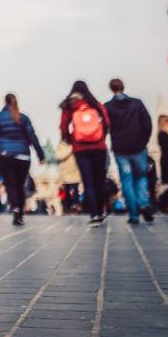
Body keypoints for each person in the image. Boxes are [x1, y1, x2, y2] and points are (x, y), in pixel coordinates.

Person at [58, 80, 110, 227]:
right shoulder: (95, 104)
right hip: (99, 147)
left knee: (88, 182)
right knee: (99, 181)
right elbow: (107, 123)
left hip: (80, 149)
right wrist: (100, 138)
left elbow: (63, 127)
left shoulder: (69, 106)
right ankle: (100, 211)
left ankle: (94, 215)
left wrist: (69, 140)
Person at [0, 93, 45, 227]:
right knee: (20, 185)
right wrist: (40, 154)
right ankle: (20, 212)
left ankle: (16, 208)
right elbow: (32, 137)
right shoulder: (23, 118)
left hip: (4, 155)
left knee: (10, 185)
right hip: (23, 156)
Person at [104, 79, 155, 225]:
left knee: (127, 180)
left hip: (121, 150)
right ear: (123, 87)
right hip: (138, 148)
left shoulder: (107, 107)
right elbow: (148, 124)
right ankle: (144, 204)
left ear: (111, 89)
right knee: (141, 177)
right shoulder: (137, 103)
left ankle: (133, 215)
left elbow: (105, 128)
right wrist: (143, 141)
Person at [55, 140, 81, 214]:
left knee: (75, 190)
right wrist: (71, 148)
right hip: (65, 173)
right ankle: (68, 208)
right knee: (66, 191)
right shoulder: (61, 146)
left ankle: (76, 205)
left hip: (75, 171)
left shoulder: (75, 143)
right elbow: (60, 156)